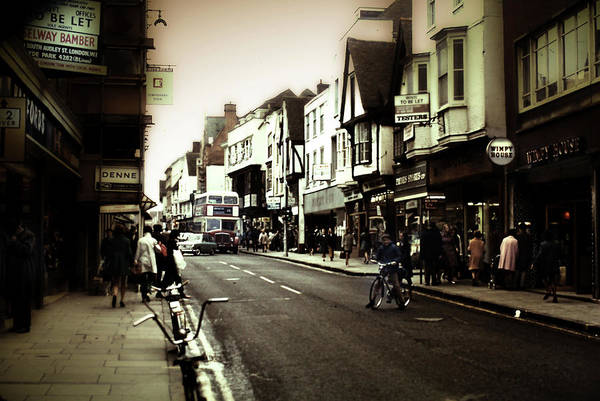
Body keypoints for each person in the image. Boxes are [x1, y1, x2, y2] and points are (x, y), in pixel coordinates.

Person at [6, 219, 36, 333]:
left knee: (24, 300)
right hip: (15, 273)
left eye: (19, 228)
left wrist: (15, 242)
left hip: (25, 273)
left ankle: (25, 325)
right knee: (16, 300)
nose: (17, 230)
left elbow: (27, 250)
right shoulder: (15, 237)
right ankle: (17, 324)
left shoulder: (29, 237)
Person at [365, 233, 404, 308]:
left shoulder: (394, 247)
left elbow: (399, 256)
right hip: (384, 267)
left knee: (396, 284)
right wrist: (374, 259)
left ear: (389, 240)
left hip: (392, 268)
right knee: (378, 284)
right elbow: (378, 256)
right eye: (383, 241)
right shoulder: (381, 248)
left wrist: (395, 261)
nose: (385, 242)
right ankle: (372, 301)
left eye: (386, 240)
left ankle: (401, 302)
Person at [104, 224, 133, 308]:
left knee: (115, 281)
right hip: (124, 263)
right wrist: (132, 262)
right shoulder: (126, 240)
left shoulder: (111, 240)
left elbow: (108, 253)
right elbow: (129, 253)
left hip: (114, 263)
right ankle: (122, 300)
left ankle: (115, 295)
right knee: (123, 283)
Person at [534, 230, 561, 303]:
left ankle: (548, 290)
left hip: (545, 264)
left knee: (544, 278)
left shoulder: (543, 244)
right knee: (553, 280)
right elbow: (559, 254)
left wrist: (535, 261)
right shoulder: (556, 244)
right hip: (554, 264)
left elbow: (540, 254)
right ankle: (554, 295)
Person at [134, 226, 158, 303]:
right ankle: (147, 292)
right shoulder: (154, 240)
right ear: (151, 231)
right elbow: (158, 251)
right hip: (151, 262)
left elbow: (138, 251)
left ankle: (144, 295)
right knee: (150, 279)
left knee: (143, 279)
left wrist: (136, 259)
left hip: (142, 261)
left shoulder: (140, 240)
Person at [420, 221, 442, 285]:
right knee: (434, 268)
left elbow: (422, 245)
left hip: (426, 254)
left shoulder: (424, 233)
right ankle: (434, 281)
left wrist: (421, 255)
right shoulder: (437, 233)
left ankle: (427, 281)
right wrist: (440, 253)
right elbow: (439, 244)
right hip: (435, 254)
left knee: (427, 268)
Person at [516, 223, 533, 289]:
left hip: (520, 255)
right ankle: (523, 284)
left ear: (520, 229)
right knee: (524, 271)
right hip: (527, 256)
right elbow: (531, 247)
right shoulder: (528, 236)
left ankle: (517, 284)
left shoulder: (518, 237)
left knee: (518, 270)